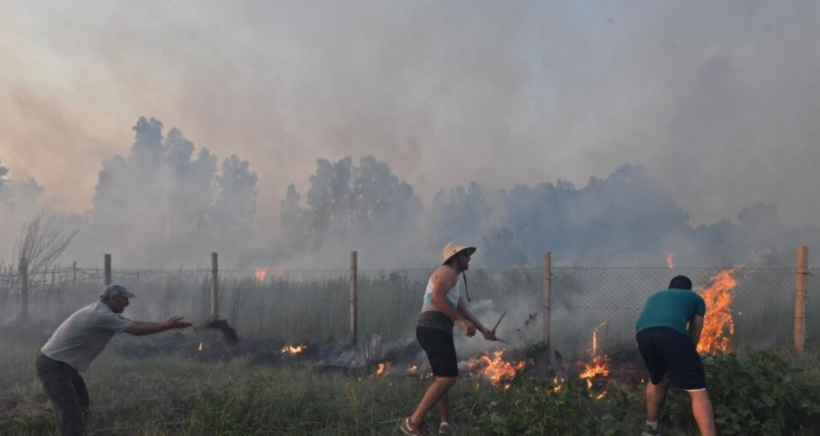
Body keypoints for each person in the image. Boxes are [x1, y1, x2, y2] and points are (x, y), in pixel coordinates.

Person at [35, 284, 192, 436]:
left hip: (63, 366)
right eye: (125, 299)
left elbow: (132, 323)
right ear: (114, 298)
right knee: (71, 416)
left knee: (82, 409)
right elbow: (136, 330)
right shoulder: (100, 315)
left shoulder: (101, 311)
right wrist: (165, 326)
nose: (128, 303)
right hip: (54, 366)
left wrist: (164, 324)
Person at [401, 242, 498, 436]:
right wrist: (462, 323)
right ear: (454, 258)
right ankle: (412, 422)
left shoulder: (452, 281)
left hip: (433, 329)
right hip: (434, 328)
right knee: (448, 377)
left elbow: (463, 309)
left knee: (441, 377)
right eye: (465, 255)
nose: (469, 258)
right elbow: (437, 298)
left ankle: (444, 424)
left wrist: (483, 329)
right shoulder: (447, 273)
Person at [635, 275, 717, 436]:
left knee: (656, 378)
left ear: (670, 287)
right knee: (697, 388)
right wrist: (689, 354)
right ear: (688, 289)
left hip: (643, 334)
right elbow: (695, 331)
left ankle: (651, 428)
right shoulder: (695, 298)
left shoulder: (655, 296)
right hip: (671, 333)